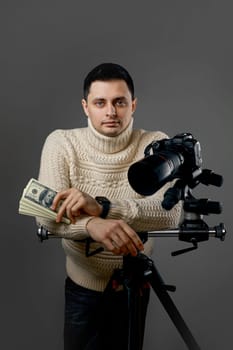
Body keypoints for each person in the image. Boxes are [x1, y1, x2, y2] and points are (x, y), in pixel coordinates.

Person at [36, 63, 182, 350]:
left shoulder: (154, 144)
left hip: (135, 285)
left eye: (119, 102)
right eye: (100, 102)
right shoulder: (61, 143)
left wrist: (103, 208)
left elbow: (170, 213)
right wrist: (93, 225)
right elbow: (45, 218)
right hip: (82, 286)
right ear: (85, 106)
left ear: (133, 104)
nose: (111, 112)